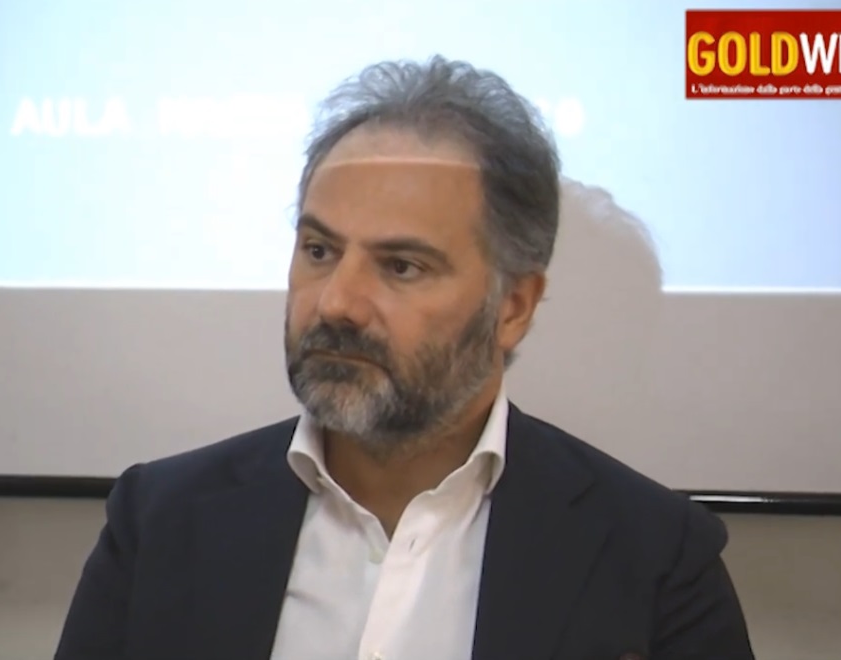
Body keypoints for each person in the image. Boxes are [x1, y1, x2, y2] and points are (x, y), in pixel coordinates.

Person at [55, 55, 755, 660]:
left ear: (513, 307)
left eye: (401, 266)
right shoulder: (160, 523)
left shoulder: (655, 559)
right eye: (319, 250)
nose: (337, 303)